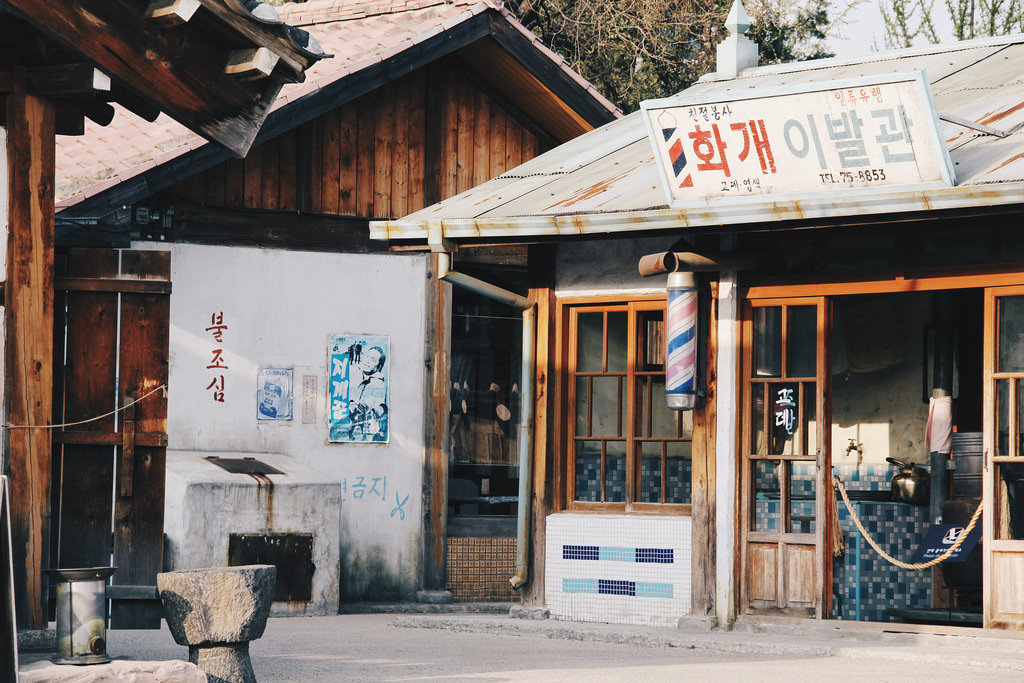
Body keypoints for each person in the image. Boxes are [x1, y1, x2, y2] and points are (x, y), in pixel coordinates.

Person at [348, 344, 388, 440]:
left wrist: (372, 410)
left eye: (373, 360)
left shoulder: (379, 383)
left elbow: (381, 406)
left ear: (378, 367)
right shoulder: (351, 371)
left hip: (362, 426)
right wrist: (350, 403)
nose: (367, 361)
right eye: (367, 356)